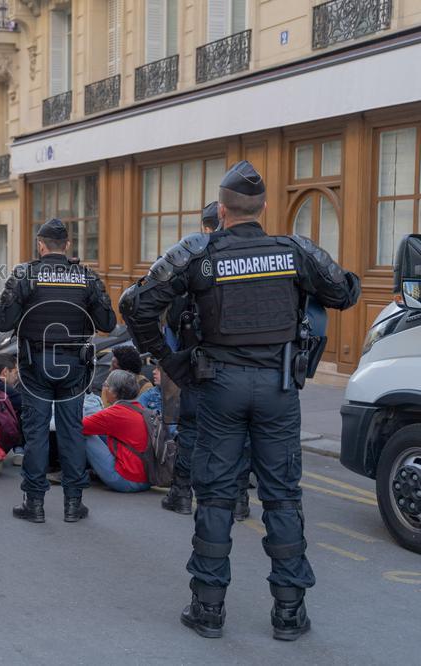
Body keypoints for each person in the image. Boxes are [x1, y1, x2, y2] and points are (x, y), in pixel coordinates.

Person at [119, 161, 360, 641]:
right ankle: (289, 614)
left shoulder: (198, 253)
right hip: (278, 388)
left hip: (218, 386)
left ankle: (208, 610)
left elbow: (135, 305)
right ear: (264, 208)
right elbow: (346, 292)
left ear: (221, 210)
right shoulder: (294, 251)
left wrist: (171, 362)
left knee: (214, 495)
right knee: (282, 496)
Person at [0, 218, 116, 523]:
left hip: (36, 363)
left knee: (36, 433)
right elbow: (107, 323)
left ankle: (34, 503)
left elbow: (3, 321)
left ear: (40, 244)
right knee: (71, 431)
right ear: (68, 246)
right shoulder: (86, 276)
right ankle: (73, 504)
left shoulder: (26, 274)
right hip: (74, 365)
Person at [160, 201, 250, 520]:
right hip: (242, 366)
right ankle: (239, 500)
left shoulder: (194, 261)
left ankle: (182, 493)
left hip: (200, 364)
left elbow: (172, 316)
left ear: (207, 227)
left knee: (192, 430)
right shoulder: (249, 263)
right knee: (239, 432)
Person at [81, 370, 151, 493]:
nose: (104, 388)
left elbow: (78, 426)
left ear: (114, 392)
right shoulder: (140, 408)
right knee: (99, 432)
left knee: (84, 435)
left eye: (106, 385)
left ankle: (74, 475)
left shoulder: (115, 413)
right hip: (147, 479)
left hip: (127, 480)